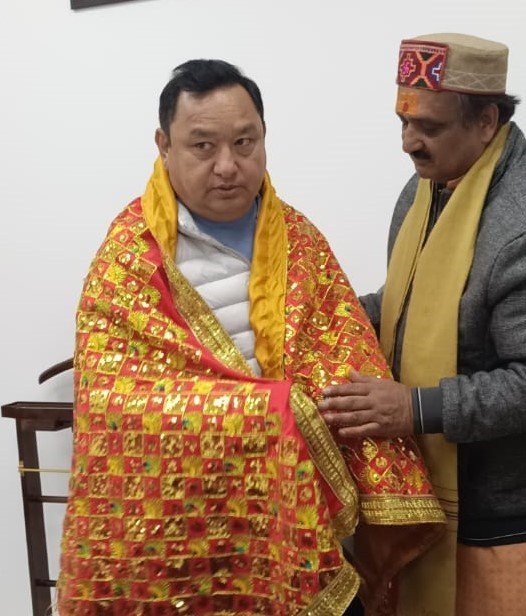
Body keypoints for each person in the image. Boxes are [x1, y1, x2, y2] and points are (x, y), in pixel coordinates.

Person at [57, 59, 445, 615]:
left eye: (245, 143)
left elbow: (341, 349)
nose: (227, 166)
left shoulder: (300, 239)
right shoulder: (129, 257)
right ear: (164, 146)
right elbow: (113, 406)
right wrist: (270, 413)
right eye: (203, 146)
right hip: (182, 529)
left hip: (303, 514)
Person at [320, 33, 526, 615]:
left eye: (429, 126)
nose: (408, 142)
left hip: (514, 535)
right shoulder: (429, 187)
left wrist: (413, 409)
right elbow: (412, 303)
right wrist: (328, 315)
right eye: (403, 122)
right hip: (433, 512)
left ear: (486, 121)